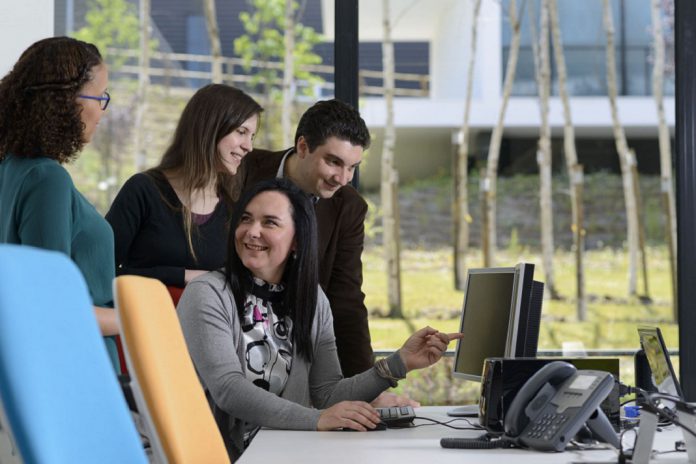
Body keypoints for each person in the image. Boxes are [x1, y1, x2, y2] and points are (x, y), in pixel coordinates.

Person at [177, 178, 463, 460]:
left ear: (297, 241)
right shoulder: (207, 294)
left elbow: (326, 393)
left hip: (286, 451)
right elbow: (229, 389)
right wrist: (316, 419)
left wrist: (399, 363)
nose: (252, 231)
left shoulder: (312, 300)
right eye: (246, 219)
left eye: (269, 222)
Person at [0, 37, 119, 364]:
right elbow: (51, 305)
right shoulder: (47, 179)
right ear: (68, 101)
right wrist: (134, 318)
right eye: (101, 97)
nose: (102, 111)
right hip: (75, 366)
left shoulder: (9, 168)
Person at [239, 99, 373, 377]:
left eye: (352, 167)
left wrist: (366, 385)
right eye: (334, 162)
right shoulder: (242, 170)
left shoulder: (349, 207)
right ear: (303, 146)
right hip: (231, 337)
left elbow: (346, 300)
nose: (343, 178)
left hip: (297, 355)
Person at [106, 84, 262, 302]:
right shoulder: (143, 190)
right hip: (142, 329)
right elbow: (102, 273)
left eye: (252, 136)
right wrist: (183, 276)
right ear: (210, 128)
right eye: (241, 132)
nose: (249, 146)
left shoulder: (233, 207)